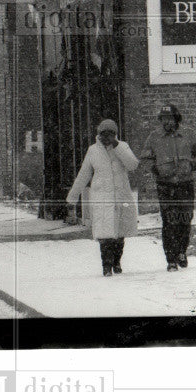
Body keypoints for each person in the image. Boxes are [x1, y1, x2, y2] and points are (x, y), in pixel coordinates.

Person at [65, 119, 140, 277]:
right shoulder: (93, 151)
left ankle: (116, 262)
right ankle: (106, 266)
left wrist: (117, 146)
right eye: (104, 134)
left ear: (115, 134)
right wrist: (72, 197)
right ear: (98, 135)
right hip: (102, 197)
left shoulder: (122, 147)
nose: (107, 138)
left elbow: (133, 165)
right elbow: (83, 175)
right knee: (105, 235)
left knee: (119, 234)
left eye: (110, 134)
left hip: (121, 196)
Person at [140, 105, 196, 272]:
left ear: (176, 119)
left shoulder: (190, 134)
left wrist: (193, 165)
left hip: (185, 183)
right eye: (163, 119)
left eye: (169, 118)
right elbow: (146, 157)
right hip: (165, 184)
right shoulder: (154, 137)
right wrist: (155, 169)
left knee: (185, 218)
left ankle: (182, 251)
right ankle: (171, 259)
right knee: (169, 221)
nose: (166, 122)